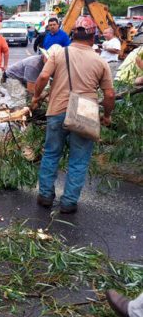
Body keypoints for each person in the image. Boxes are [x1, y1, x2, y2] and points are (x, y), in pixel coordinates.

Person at [31, 16, 115, 214]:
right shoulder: (100, 61)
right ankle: (68, 203)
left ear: (72, 35)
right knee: (78, 159)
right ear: (93, 37)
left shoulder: (59, 54)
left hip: (57, 109)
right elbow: (109, 94)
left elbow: (43, 76)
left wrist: (36, 97)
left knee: (51, 153)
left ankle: (45, 196)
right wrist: (107, 115)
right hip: (84, 112)